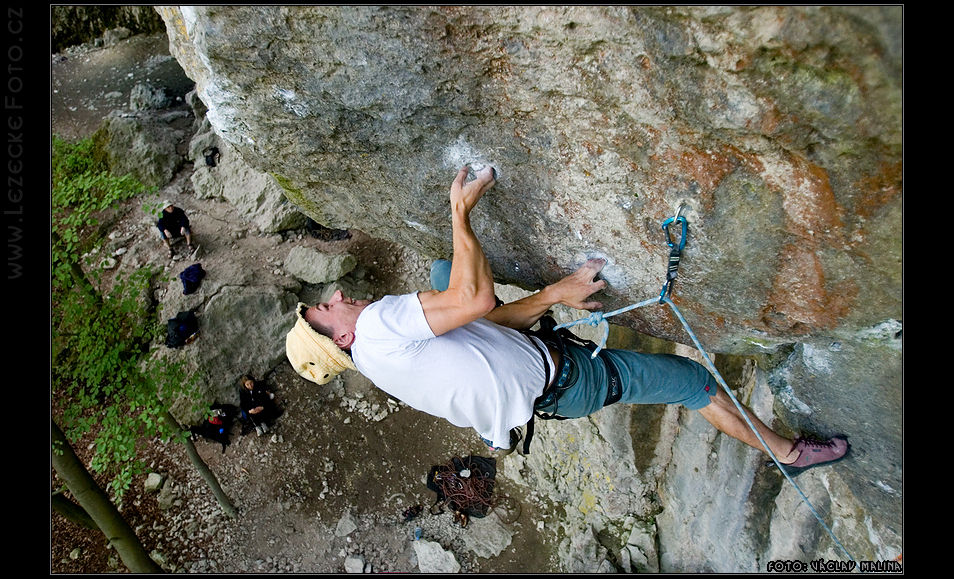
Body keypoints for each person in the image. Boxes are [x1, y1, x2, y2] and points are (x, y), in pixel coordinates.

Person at [285, 166, 849, 474]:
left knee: (442, 272)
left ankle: (484, 283)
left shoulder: (377, 359)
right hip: (570, 380)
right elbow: (479, 306)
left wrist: (557, 292)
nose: (335, 293)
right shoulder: (380, 324)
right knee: (693, 382)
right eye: (326, 307)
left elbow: (489, 328)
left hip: (535, 384)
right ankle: (789, 455)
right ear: (342, 336)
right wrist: (459, 211)